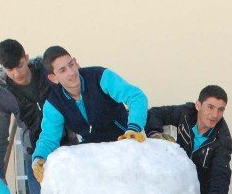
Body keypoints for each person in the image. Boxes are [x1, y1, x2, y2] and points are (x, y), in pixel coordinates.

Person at [30, 46, 148, 183]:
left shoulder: (100, 77)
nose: (71, 72)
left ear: (76, 62)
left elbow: (136, 97)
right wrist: (38, 158)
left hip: (127, 145)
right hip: (94, 157)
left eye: (71, 65)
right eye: (63, 70)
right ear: (53, 78)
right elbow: (49, 137)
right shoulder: (54, 103)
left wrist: (133, 129)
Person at [146, 85, 232, 194]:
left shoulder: (223, 139)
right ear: (198, 105)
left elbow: (221, 173)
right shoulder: (184, 114)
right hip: (164, 191)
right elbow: (154, 113)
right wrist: (154, 133)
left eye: (220, 109)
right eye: (210, 107)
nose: (215, 115)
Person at [0, 39, 51, 194]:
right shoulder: (1, 96)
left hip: (66, 148)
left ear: (26, 58)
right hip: (33, 157)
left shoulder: (49, 75)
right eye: (10, 70)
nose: (17, 73)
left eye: (19, 65)